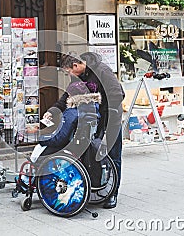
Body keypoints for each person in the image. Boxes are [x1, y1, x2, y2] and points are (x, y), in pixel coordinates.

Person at [44, 51, 125, 209]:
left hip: (111, 118)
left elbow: (118, 94)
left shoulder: (102, 71)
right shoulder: (78, 76)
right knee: (93, 154)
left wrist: (102, 111)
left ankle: (112, 194)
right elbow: (67, 96)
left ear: (76, 65)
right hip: (92, 120)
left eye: (69, 71)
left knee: (113, 155)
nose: (70, 75)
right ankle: (96, 187)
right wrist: (53, 111)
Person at [31, 81, 101, 161]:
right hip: (83, 144)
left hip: (69, 147)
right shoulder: (92, 109)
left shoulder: (72, 113)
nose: (67, 98)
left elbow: (60, 139)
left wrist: (42, 139)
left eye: (69, 95)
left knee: (39, 149)